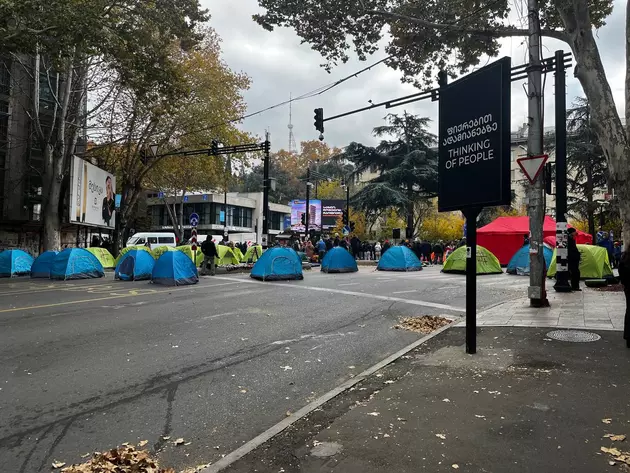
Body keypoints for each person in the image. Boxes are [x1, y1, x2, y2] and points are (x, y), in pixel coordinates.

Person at [618, 250, 630, 348]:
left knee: (629, 310)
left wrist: (624, 282)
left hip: (628, 287)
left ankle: (628, 337)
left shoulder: (626, 255)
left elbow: (621, 268)